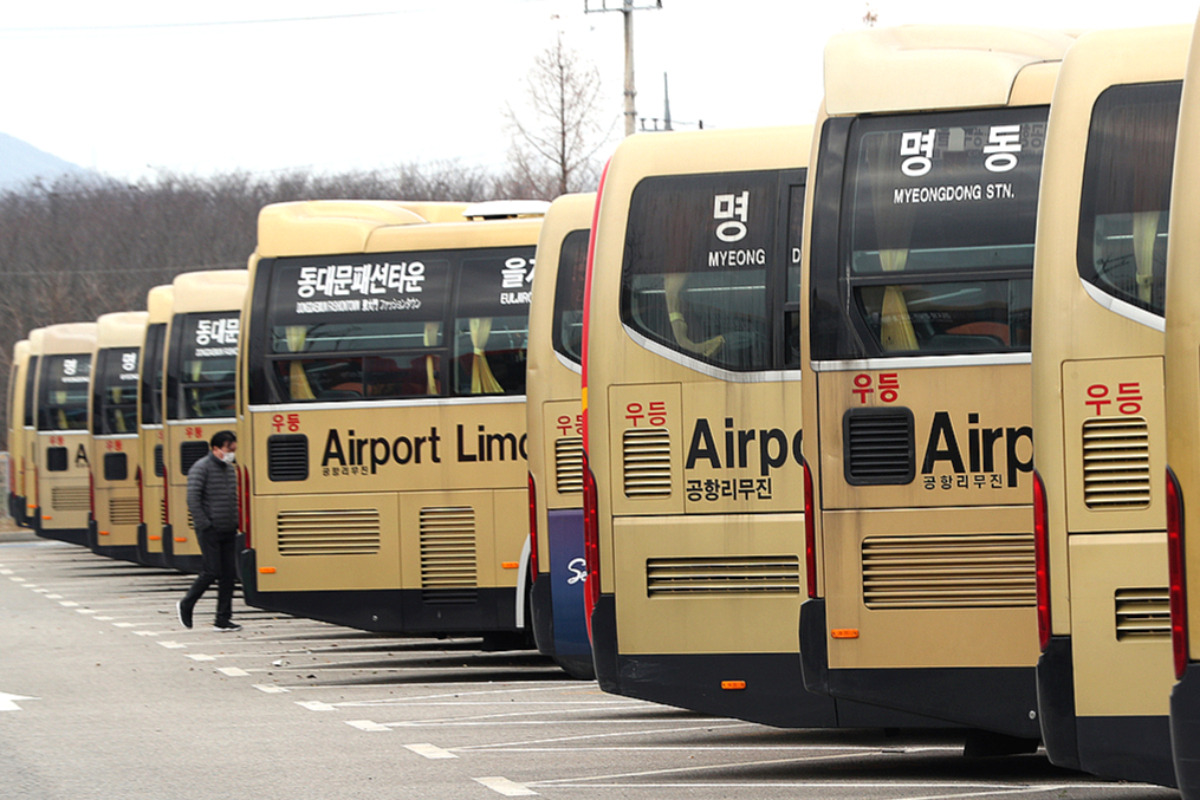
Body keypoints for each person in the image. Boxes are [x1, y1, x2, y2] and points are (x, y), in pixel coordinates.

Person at [176, 430, 241, 632]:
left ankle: (223, 619)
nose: (231, 453)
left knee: (228, 575)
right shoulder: (201, 468)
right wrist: (205, 523)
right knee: (211, 570)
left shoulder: (229, 469)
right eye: (228, 449)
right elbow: (192, 499)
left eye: (233, 449)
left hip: (228, 528)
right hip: (210, 529)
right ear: (216, 448)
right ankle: (187, 603)